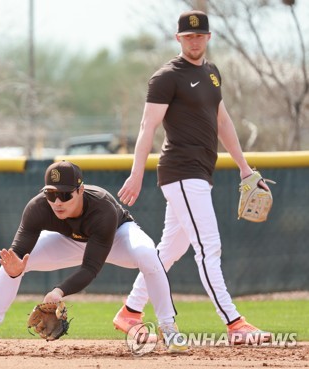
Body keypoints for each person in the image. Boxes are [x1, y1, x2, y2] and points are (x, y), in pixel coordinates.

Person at [112, 10, 273, 345]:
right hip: (181, 171)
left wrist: (245, 168)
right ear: (178, 39)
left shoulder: (212, 74)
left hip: (201, 172)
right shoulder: (167, 77)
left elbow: (223, 122)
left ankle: (130, 310)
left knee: (169, 250)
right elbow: (147, 127)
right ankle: (234, 323)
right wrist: (136, 173)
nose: (194, 41)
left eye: (200, 36)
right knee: (208, 246)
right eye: (188, 36)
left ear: (208, 38)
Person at [0, 160, 188, 354]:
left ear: (80, 190)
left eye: (65, 195)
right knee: (11, 262)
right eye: (51, 194)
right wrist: (14, 269)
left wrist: (58, 292)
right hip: (70, 241)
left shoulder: (101, 208)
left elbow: (91, 267)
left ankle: (168, 327)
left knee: (148, 254)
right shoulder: (37, 208)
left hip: (115, 237)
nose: (57, 202)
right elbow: (19, 255)